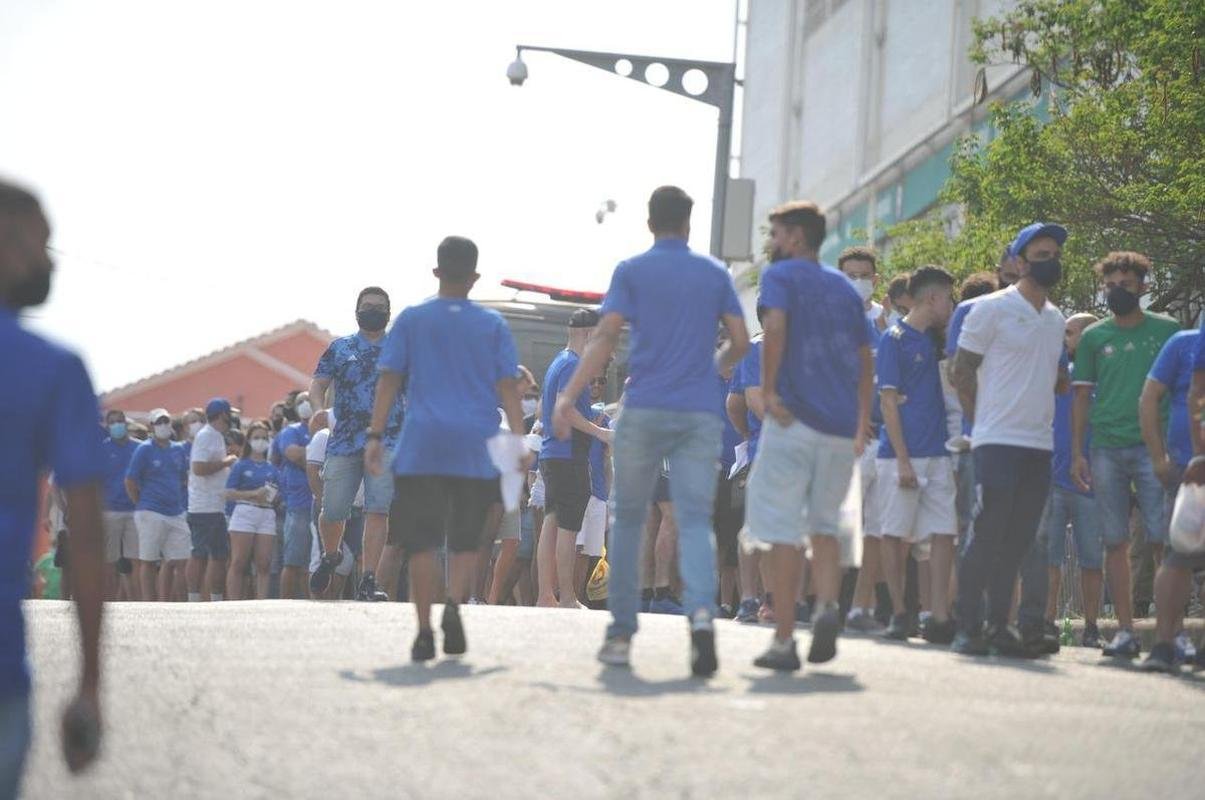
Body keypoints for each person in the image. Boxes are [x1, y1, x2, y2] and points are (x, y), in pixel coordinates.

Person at [553, 185, 749, 676]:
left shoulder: (632, 271)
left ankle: (621, 634)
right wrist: (711, 367)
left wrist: (566, 393)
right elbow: (742, 341)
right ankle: (702, 622)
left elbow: (604, 337)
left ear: (649, 223)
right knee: (695, 521)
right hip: (698, 412)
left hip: (643, 409)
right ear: (688, 223)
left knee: (631, 519)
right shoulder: (713, 273)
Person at [365, 235, 527, 661]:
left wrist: (374, 436)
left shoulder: (412, 321)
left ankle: (423, 630)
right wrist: (517, 438)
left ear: (436, 271)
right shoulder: (492, 325)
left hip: (423, 445)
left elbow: (388, 380)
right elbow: (508, 385)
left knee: (421, 542)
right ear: (474, 276)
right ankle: (454, 606)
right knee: (465, 539)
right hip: (475, 446)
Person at [0, 180, 105, 791]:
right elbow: (87, 537)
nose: (50, 262)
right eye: (42, 243)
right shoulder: (52, 367)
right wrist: (89, 686)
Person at [739, 201, 871, 672]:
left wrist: (770, 392)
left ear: (796, 237)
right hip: (840, 430)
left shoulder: (782, 277)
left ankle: (783, 638)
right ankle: (828, 608)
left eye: (776, 234)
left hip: (793, 424)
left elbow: (774, 328)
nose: (772, 243)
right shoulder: (846, 289)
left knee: (781, 530)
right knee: (825, 526)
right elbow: (864, 356)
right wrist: (858, 423)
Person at [949, 222, 1067, 656]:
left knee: (1018, 540)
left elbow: (1056, 378)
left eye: (1054, 253)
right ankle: (968, 627)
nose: (1049, 261)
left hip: (1039, 445)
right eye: (1040, 254)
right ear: (1019, 262)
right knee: (986, 532)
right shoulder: (991, 309)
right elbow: (960, 371)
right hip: (996, 440)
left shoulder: (1055, 319)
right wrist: (981, 422)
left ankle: (1000, 626)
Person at [1070, 251, 1181, 658]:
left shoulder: (1168, 330)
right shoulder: (1094, 337)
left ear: (1143, 287)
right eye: (1111, 285)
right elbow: (1081, 397)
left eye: (1126, 285)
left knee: (1162, 538)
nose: (1117, 292)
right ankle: (1125, 631)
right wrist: (1077, 453)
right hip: (1106, 448)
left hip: (1156, 447)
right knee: (1114, 540)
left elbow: (1185, 390)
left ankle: (1171, 632)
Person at [875, 267, 958, 643]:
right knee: (894, 535)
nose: (951, 306)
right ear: (932, 299)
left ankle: (939, 615)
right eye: (948, 299)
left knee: (943, 533)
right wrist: (904, 459)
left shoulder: (939, 341)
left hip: (939, 452)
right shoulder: (894, 340)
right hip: (899, 456)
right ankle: (899, 613)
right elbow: (888, 402)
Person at [310, 289, 406, 601]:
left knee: (378, 509)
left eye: (380, 307)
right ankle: (331, 555)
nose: (373, 311)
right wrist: (318, 410)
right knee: (333, 510)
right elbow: (319, 383)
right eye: (368, 307)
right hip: (344, 440)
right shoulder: (340, 347)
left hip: (386, 440)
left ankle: (368, 579)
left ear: (390, 312)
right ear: (356, 311)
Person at [1031, 313, 1105, 647]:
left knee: (1092, 559)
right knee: (1050, 558)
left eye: (1070, 333)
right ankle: (1046, 621)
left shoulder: (1104, 379)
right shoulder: (1057, 376)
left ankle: (1092, 627)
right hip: (1050, 480)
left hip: (1090, 485)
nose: (1065, 339)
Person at [537, 308, 611, 608]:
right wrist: (600, 432)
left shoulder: (560, 361)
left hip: (553, 453)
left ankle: (546, 595)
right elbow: (563, 409)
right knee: (568, 528)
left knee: (552, 522)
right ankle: (567, 597)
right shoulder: (573, 365)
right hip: (567, 454)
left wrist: (594, 415)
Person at [1139, 321, 1201, 661]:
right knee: (1178, 555)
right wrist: (1162, 458)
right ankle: (1164, 643)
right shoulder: (1185, 343)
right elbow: (1194, 394)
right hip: (1191, 468)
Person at [125, 408, 191, 601]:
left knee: (180, 560)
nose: (163, 426)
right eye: (159, 422)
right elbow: (130, 480)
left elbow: (182, 478)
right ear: (152, 427)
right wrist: (142, 504)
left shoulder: (178, 449)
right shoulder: (144, 449)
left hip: (176, 511)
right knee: (148, 560)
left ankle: (173, 601)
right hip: (150, 511)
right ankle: (148, 602)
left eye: (166, 421)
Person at [186, 398, 236, 602]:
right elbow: (198, 468)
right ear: (222, 414)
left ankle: (211, 599)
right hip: (204, 507)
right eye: (229, 414)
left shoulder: (214, 436)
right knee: (203, 555)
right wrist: (227, 461)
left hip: (213, 506)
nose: (231, 417)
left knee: (217, 555)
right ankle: (195, 599)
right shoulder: (207, 435)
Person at [223, 421, 279, 600]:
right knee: (239, 561)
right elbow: (228, 493)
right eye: (256, 438)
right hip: (244, 512)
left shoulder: (272, 468)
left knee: (264, 563)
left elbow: (280, 494)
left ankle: (261, 601)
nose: (260, 441)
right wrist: (254, 494)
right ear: (248, 440)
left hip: (266, 513)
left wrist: (272, 496)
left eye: (264, 437)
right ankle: (233, 601)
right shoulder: (240, 465)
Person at [275, 394, 313, 600]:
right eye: (300, 402)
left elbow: (302, 456)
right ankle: (285, 602)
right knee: (293, 562)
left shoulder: (325, 430)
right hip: (298, 504)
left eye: (307, 400)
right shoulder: (291, 431)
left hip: (322, 504)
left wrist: (307, 457)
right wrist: (317, 457)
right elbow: (293, 454)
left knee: (312, 564)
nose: (305, 405)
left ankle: (310, 602)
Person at [101, 409, 140, 600]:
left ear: (126, 423)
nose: (117, 425)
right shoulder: (100, 449)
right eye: (112, 422)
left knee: (136, 560)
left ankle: (138, 604)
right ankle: (108, 602)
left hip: (135, 511)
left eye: (120, 421)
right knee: (109, 562)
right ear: (107, 426)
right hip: (109, 512)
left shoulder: (140, 448)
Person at [839, 245, 887, 333]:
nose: (858, 281)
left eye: (864, 275)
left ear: (875, 280)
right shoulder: (828, 316)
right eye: (851, 276)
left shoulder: (886, 316)